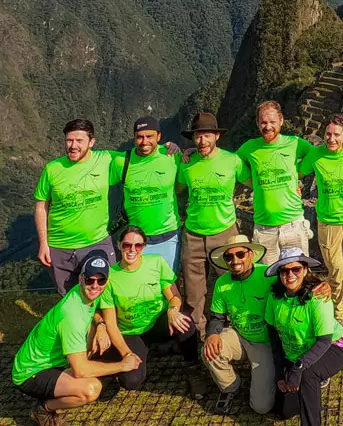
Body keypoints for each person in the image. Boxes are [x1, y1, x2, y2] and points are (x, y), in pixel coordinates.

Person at [203, 235, 333, 415]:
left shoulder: (268, 275)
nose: (235, 260)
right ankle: (230, 387)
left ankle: (264, 378)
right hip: (238, 335)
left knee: (262, 407)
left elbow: (296, 279)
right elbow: (216, 316)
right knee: (210, 350)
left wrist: (323, 285)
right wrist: (212, 334)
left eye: (240, 254)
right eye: (229, 257)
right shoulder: (221, 282)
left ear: (250, 254)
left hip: (266, 343)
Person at [12, 250, 141, 425]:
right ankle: (44, 409)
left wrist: (100, 325)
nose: (95, 285)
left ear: (107, 281)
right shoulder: (71, 316)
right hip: (31, 373)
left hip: (54, 360)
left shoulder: (85, 293)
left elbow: (95, 312)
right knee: (91, 389)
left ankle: (68, 377)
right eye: (90, 280)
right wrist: (121, 366)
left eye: (101, 280)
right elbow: (81, 371)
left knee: (92, 361)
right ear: (81, 278)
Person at [96, 226, 204, 397]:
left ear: (144, 247)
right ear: (118, 245)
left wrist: (173, 309)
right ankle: (139, 354)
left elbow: (174, 296)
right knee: (130, 382)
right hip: (132, 332)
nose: (132, 250)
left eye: (138, 246)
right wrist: (126, 354)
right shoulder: (110, 277)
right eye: (127, 245)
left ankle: (193, 369)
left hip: (158, 323)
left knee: (185, 322)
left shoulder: (156, 262)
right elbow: (111, 323)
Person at [177, 112, 251, 332]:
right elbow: (178, 189)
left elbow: (253, 181)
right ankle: (198, 333)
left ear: (217, 136)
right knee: (193, 291)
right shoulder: (187, 164)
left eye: (207, 135)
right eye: (198, 136)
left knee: (231, 282)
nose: (202, 141)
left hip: (225, 232)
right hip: (193, 233)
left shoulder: (232, 160)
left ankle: (233, 328)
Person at [265, 248, 343, 426]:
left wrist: (297, 369)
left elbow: (324, 340)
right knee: (284, 411)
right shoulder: (274, 297)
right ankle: (310, 380)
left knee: (307, 374)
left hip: (333, 346)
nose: (290, 274)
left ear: (305, 270)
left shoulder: (318, 297)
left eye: (295, 269)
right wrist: (281, 374)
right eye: (284, 270)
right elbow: (273, 337)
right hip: (295, 352)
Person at [34, 119, 121, 295]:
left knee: (105, 295)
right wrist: (43, 244)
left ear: (92, 142)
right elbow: (41, 206)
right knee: (71, 299)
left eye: (79, 141)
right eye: (69, 140)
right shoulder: (52, 169)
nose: (73, 146)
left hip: (97, 242)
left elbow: (140, 155)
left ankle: (106, 324)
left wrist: (169, 148)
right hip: (59, 248)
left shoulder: (107, 160)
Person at [299, 114, 343, 337]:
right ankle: (338, 313)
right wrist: (294, 188)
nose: (331, 138)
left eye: (337, 134)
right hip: (328, 222)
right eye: (328, 134)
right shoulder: (316, 155)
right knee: (335, 271)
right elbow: (297, 172)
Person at [237, 101, 315, 262]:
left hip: (293, 225)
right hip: (264, 229)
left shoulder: (295, 143)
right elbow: (231, 164)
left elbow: (318, 155)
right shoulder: (249, 148)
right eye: (263, 122)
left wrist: (297, 175)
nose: (268, 127)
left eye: (272, 122)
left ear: (281, 120)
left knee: (299, 277)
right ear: (257, 123)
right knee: (269, 280)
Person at [111, 116, 182, 272]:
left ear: (159, 136)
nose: (144, 142)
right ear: (134, 138)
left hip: (168, 236)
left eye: (149, 136)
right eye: (140, 137)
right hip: (136, 241)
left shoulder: (172, 156)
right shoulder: (121, 161)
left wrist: (189, 150)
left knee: (168, 286)